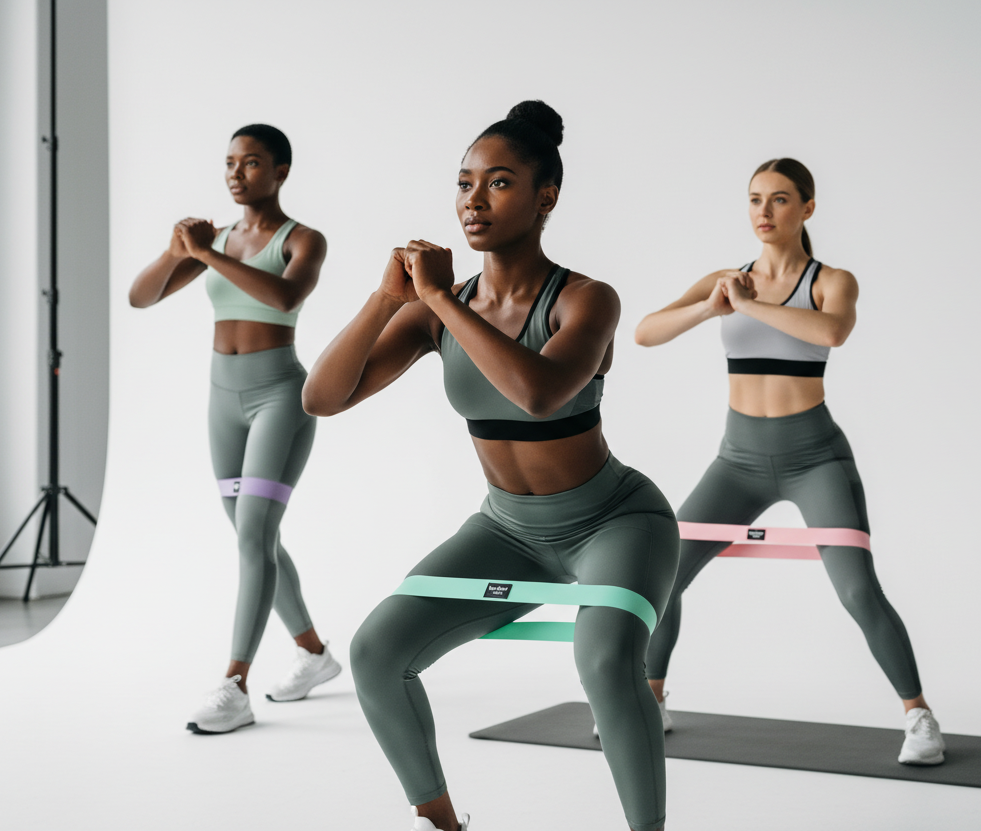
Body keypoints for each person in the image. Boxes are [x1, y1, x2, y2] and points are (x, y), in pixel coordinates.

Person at [303, 101, 678, 831]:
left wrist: (440, 296)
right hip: (509, 530)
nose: (473, 200)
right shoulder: (439, 312)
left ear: (547, 197)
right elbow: (323, 397)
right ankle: (441, 824)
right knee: (377, 652)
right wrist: (389, 298)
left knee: (603, 663)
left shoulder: (585, 299)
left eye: (498, 183)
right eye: (464, 183)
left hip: (615, 520)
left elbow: (538, 394)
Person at [632, 157, 946, 765]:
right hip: (737, 460)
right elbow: (645, 332)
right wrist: (711, 308)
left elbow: (832, 332)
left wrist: (747, 308)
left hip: (814, 458)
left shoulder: (833, 279)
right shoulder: (728, 278)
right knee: (662, 574)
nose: (764, 213)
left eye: (779, 200)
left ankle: (919, 717)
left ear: (807, 207)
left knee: (857, 590)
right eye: (754, 200)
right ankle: (652, 698)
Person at [129, 124, 341, 734]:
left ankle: (234, 683)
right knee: (257, 540)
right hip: (222, 398)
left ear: (281, 172)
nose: (235, 172)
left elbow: (282, 298)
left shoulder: (304, 239)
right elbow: (140, 298)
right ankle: (312, 652)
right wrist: (177, 252)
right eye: (229, 162)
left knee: (254, 535)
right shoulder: (214, 241)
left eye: (251, 163)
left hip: (280, 396)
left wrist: (206, 255)